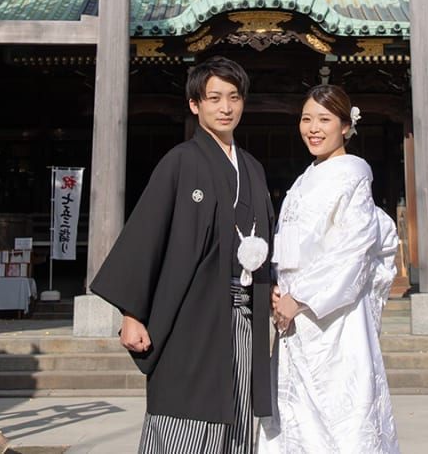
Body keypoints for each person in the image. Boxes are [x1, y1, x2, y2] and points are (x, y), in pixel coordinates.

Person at [90, 56, 274, 453]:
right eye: (214, 98)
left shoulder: (253, 169)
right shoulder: (179, 163)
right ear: (195, 104)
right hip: (190, 316)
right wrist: (131, 313)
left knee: (237, 418)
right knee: (184, 418)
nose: (225, 107)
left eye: (234, 97)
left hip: (243, 317)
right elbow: (146, 235)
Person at [258, 84, 400, 453]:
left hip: (334, 317)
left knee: (338, 413)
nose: (313, 128)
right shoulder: (304, 180)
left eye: (324, 119)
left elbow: (352, 251)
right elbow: (291, 247)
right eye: (306, 119)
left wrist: (300, 297)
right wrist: (278, 287)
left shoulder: (352, 176)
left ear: (345, 126)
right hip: (294, 317)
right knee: (296, 414)